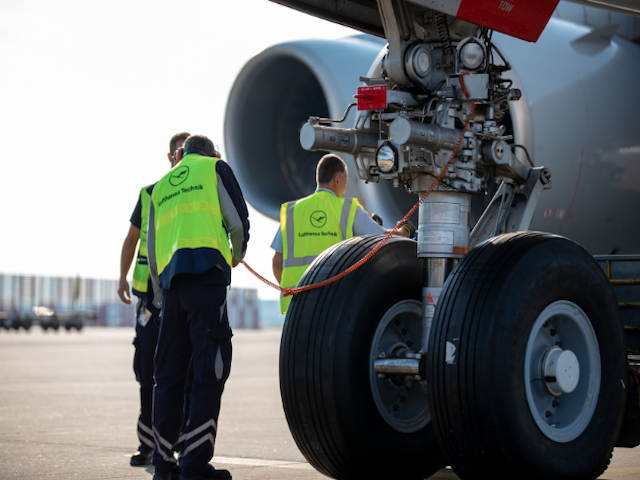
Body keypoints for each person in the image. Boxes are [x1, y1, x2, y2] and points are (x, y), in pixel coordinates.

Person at [147, 134, 250, 480]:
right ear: (212, 153)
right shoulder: (215, 168)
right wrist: (236, 255)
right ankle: (194, 465)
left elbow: (151, 247)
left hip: (171, 288)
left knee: (169, 377)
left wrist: (162, 296)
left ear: (180, 155)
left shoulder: (160, 187)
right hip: (207, 282)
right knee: (210, 372)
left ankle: (163, 464)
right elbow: (237, 221)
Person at [118, 131, 190, 466]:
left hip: (179, 295)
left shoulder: (195, 188)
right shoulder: (149, 194)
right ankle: (148, 443)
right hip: (148, 300)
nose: (180, 156)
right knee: (147, 373)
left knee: (184, 372)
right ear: (169, 157)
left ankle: (183, 442)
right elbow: (132, 239)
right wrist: (122, 277)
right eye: (176, 152)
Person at [271, 153, 411, 313]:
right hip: (332, 304)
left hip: (295, 307)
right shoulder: (348, 210)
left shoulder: (292, 212)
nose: (344, 189)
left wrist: (292, 291)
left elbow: (276, 264)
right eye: (344, 183)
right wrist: (405, 230)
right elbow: (383, 239)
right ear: (337, 180)